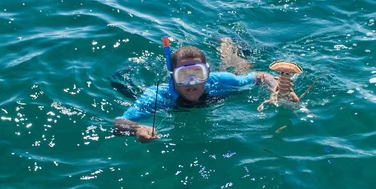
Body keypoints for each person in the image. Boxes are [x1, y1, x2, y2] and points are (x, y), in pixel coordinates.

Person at [113, 40, 278, 143]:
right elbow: (119, 123)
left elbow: (260, 76)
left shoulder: (219, 81)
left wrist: (276, 87)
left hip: (223, 80)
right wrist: (138, 130)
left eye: (198, 74)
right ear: (172, 77)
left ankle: (226, 46)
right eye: (183, 75)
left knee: (240, 69)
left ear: (207, 73)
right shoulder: (158, 96)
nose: (191, 82)